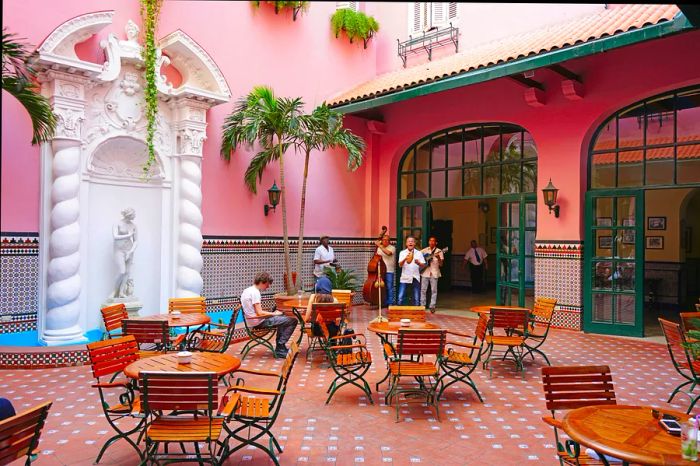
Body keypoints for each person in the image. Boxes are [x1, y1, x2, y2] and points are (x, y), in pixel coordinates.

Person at [240, 272, 297, 358]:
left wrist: (274, 314)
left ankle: (280, 347)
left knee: (282, 318)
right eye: (267, 284)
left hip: (251, 321)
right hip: (258, 322)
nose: (268, 287)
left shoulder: (247, 290)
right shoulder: (255, 293)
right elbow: (259, 313)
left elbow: (257, 311)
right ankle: (280, 347)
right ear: (263, 281)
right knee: (292, 321)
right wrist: (273, 314)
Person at [398, 237, 425, 305]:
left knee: (416, 298)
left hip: (415, 276)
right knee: (400, 297)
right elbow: (400, 265)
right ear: (406, 244)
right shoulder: (402, 253)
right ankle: (399, 313)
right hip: (405, 277)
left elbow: (423, 265)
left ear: (414, 243)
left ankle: (416, 315)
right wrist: (405, 259)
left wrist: (419, 263)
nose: (410, 242)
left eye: (412, 241)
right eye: (409, 241)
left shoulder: (419, 253)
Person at [420, 236, 444, 313]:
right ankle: (422, 305)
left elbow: (441, 264)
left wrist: (438, 258)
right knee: (423, 290)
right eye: (430, 241)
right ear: (428, 242)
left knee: (434, 290)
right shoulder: (424, 250)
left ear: (436, 243)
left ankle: (432, 306)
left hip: (434, 273)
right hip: (425, 272)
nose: (431, 242)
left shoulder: (439, 251)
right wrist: (423, 261)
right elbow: (419, 257)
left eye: (433, 241)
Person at [375, 233, 396, 306]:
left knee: (389, 287)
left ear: (389, 241)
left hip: (389, 271)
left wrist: (379, 246)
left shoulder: (392, 248)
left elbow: (388, 253)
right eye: (383, 240)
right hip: (380, 271)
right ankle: (382, 302)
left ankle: (390, 303)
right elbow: (376, 258)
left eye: (387, 240)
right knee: (381, 287)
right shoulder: (379, 249)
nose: (385, 241)